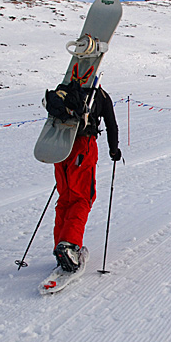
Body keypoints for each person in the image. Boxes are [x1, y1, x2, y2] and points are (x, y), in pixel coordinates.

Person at [44, 78, 122, 271]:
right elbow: (112, 125)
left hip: (60, 145)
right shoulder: (100, 95)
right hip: (83, 146)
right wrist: (114, 150)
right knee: (82, 197)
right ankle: (69, 246)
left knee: (65, 198)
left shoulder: (65, 88)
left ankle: (60, 247)